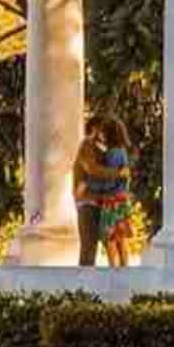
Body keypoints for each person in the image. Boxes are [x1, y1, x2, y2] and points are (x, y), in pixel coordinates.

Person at [95, 117, 133, 268]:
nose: (100, 135)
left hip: (112, 201)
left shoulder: (112, 154)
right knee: (121, 238)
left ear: (108, 134)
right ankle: (125, 270)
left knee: (110, 238)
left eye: (102, 132)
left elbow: (110, 179)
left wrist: (98, 187)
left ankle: (113, 271)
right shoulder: (122, 151)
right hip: (122, 199)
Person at [71, 114, 105, 267]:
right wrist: (116, 173)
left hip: (94, 201)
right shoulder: (87, 145)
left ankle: (88, 278)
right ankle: (84, 280)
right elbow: (92, 169)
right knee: (88, 245)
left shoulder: (98, 148)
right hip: (87, 202)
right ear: (95, 129)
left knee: (92, 245)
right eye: (103, 128)